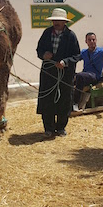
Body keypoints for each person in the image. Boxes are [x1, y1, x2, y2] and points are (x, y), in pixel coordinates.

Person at [35, 8, 81, 138]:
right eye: (55, 20)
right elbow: (39, 49)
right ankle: (48, 128)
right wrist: (44, 54)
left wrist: (65, 62)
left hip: (65, 75)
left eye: (59, 21)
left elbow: (77, 55)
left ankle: (61, 127)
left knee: (64, 99)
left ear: (64, 22)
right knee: (47, 99)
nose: (56, 22)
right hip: (48, 73)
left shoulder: (71, 36)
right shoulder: (46, 33)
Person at [74, 32, 103, 110]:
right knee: (72, 76)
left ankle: (75, 103)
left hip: (94, 76)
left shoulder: (101, 51)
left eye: (93, 39)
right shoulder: (84, 52)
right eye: (89, 40)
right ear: (86, 41)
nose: (92, 41)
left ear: (96, 40)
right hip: (85, 75)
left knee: (80, 76)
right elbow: (74, 59)